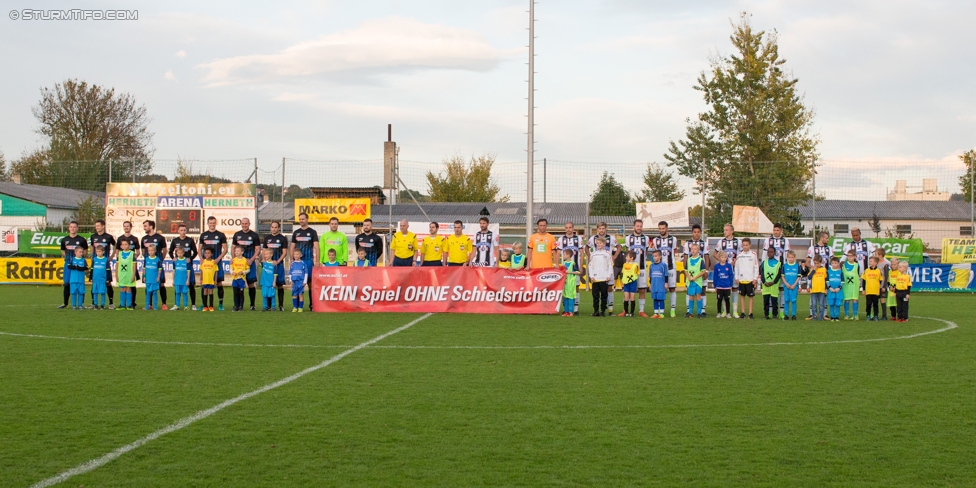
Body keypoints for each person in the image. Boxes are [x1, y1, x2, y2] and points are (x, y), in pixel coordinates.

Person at [587, 222, 619, 314]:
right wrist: (590, 256)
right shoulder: (592, 239)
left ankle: (609, 309)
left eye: (603, 228)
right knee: (596, 294)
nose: (601, 230)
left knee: (608, 289)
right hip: (596, 271)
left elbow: (619, 247)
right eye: (600, 228)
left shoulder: (611, 238)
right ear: (597, 229)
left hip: (606, 269)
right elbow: (586, 247)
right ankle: (596, 310)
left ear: (605, 229)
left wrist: (614, 257)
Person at [289, 213, 318, 309]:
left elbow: (316, 246)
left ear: (307, 219)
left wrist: (317, 260)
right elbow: (292, 247)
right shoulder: (296, 232)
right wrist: (291, 259)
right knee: (297, 283)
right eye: (300, 219)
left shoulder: (312, 232)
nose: (301, 221)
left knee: (310, 283)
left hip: (308, 261)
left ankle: (312, 305)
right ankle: (297, 306)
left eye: (303, 219)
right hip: (297, 262)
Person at [232, 218, 261, 311]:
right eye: (243, 223)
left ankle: (252, 305)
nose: (244, 225)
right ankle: (238, 305)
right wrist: (233, 259)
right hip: (238, 264)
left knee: (251, 283)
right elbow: (233, 248)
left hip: (249, 262)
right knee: (238, 284)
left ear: (249, 223)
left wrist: (252, 259)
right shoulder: (237, 234)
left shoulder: (254, 235)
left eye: (246, 223)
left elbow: (258, 249)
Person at [652, 220, 679, 317]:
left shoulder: (674, 239)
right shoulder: (655, 240)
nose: (661, 230)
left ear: (667, 228)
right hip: (659, 269)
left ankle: (672, 310)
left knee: (672, 288)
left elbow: (674, 252)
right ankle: (659, 311)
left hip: (670, 267)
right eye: (660, 228)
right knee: (659, 289)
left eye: (663, 228)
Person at [625, 219, 652, 317]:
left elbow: (646, 251)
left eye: (641, 226)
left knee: (641, 289)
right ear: (634, 227)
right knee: (628, 290)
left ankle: (641, 310)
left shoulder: (646, 238)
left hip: (641, 268)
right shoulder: (628, 238)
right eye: (637, 226)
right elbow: (627, 253)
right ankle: (626, 310)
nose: (639, 228)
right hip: (630, 269)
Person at [169, 223, 198, 310]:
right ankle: (176, 305)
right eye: (181, 230)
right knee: (177, 284)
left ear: (186, 231)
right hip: (179, 265)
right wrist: (173, 258)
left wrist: (191, 258)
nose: (183, 232)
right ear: (178, 231)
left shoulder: (190, 240)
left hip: (187, 265)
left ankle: (193, 304)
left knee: (191, 284)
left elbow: (195, 252)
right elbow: (170, 251)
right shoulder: (175, 241)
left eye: (184, 230)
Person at [59, 221, 88, 309]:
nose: (73, 228)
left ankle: (81, 304)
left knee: (80, 284)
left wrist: (79, 259)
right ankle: (65, 303)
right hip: (68, 265)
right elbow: (63, 251)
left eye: (74, 227)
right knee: (67, 283)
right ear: (69, 228)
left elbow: (85, 251)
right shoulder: (64, 240)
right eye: (71, 227)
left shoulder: (82, 240)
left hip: (79, 264)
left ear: (77, 228)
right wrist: (69, 259)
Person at [763, 222, 790, 318]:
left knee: (781, 289)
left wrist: (786, 268)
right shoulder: (768, 240)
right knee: (770, 290)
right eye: (774, 230)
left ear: (781, 231)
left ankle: (781, 312)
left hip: (781, 269)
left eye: (778, 230)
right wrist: (763, 267)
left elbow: (787, 256)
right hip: (770, 270)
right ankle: (770, 312)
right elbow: (764, 256)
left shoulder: (785, 241)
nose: (776, 232)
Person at [557, 222, 584, 315]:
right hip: (564, 270)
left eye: (570, 227)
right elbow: (557, 252)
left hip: (574, 268)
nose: (568, 229)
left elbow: (582, 252)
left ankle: (575, 309)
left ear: (573, 228)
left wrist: (581, 266)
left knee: (576, 288)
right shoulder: (561, 239)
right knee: (564, 288)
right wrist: (557, 265)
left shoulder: (578, 238)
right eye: (566, 228)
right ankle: (566, 309)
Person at [683, 224, 710, 316]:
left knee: (702, 291)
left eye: (698, 232)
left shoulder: (704, 244)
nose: (696, 234)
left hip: (700, 272)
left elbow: (706, 257)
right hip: (690, 273)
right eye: (695, 232)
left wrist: (705, 271)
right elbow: (685, 258)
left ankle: (702, 310)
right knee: (689, 291)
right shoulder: (687, 244)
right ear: (692, 233)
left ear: (700, 233)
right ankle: (689, 310)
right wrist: (685, 272)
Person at [141, 220, 168, 310]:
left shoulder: (160, 238)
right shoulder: (144, 239)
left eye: (145, 226)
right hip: (148, 266)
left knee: (161, 284)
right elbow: (143, 252)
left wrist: (160, 260)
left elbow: (165, 250)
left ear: (151, 226)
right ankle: (150, 304)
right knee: (148, 284)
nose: (144, 227)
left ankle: (164, 303)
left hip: (157, 265)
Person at [263, 221, 289, 311]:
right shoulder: (267, 238)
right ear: (270, 228)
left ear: (278, 228)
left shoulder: (282, 238)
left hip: (278, 265)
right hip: (269, 266)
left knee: (280, 285)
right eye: (272, 227)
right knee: (269, 285)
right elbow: (264, 251)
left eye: (276, 227)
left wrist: (277, 261)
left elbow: (285, 252)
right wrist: (265, 261)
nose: (274, 229)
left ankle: (280, 305)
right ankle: (269, 306)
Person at [89, 219, 116, 309]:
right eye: (96, 226)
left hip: (105, 263)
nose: (97, 227)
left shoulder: (108, 237)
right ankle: (94, 303)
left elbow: (115, 245)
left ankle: (111, 303)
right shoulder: (93, 236)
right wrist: (92, 255)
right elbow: (92, 245)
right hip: (96, 262)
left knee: (108, 283)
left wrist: (112, 255)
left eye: (98, 226)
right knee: (94, 283)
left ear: (103, 226)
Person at [717, 224, 742, 317]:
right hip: (724, 270)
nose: (725, 232)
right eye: (724, 230)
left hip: (734, 269)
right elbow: (715, 253)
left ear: (732, 231)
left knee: (734, 289)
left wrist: (736, 260)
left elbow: (742, 253)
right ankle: (724, 311)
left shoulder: (738, 242)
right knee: (724, 290)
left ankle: (735, 311)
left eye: (727, 230)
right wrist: (720, 260)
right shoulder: (721, 242)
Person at [806, 231, 832, 320]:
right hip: (814, 276)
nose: (828, 240)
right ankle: (811, 314)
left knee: (824, 295)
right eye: (826, 238)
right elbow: (807, 262)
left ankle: (824, 314)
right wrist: (814, 267)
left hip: (824, 275)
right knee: (813, 295)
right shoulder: (812, 248)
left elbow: (833, 261)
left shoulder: (829, 249)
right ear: (821, 238)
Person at [116, 221, 141, 308]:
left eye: (128, 226)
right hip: (123, 267)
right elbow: (117, 251)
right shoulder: (119, 238)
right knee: (123, 287)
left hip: (131, 266)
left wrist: (132, 258)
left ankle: (132, 303)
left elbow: (138, 251)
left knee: (131, 286)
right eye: (125, 226)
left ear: (131, 227)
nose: (126, 227)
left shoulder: (135, 239)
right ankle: (123, 304)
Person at [587, 236, 613, 317]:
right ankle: (596, 311)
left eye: (600, 243)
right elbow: (590, 266)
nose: (599, 244)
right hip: (595, 278)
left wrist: (609, 275)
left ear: (604, 244)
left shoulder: (608, 254)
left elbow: (610, 265)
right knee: (595, 295)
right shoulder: (593, 254)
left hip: (604, 278)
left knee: (604, 295)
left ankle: (603, 311)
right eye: (597, 243)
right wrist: (591, 276)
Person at [734, 237, 759, 319]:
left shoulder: (753, 255)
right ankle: (743, 312)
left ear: (750, 245)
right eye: (744, 245)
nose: (745, 247)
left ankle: (750, 313)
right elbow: (736, 267)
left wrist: (755, 278)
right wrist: (736, 277)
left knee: (751, 296)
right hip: (741, 279)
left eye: (747, 245)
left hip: (750, 279)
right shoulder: (739, 255)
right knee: (742, 296)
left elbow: (756, 267)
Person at [685, 243, 707, 318]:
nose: (693, 250)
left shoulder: (701, 260)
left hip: (697, 282)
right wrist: (689, 277)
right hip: (690, 281)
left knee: (698, 296)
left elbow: (703, 271)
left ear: (698, 250)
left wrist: (696, 277)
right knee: (691, 296)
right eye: (692, 249)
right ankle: (690, 312)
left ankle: (699, 312)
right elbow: (685, 270)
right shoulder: (688, 260)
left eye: (695, 249)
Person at [760, 246, 782, 320]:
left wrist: (773, 282)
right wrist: (764, 281)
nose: (769, 253)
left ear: (775, 253)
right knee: (766, 301)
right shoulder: (764, 262)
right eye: (768, 252)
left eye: (771, 252)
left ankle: (774, 315)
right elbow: (762, 273)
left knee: (774, 302)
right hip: (766, 285)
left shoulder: (778, 263)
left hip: (774, 286)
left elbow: (779, 275)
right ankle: (766, 315)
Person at [116, 238, 137, 310]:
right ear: (121, 246)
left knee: (128, 289)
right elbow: (117, 265)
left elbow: (134, 265)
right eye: (123, 245)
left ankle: (129, 305)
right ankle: (122, 305)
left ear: (129, 245)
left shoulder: (132, 253)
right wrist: (116, 275)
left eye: (126, 244)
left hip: (129, 274)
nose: (124, 246)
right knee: (122, 289)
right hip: (121, 274)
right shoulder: (119, 253)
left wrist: (133, 275)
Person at [712, 251, 734, 318]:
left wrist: (730, 285)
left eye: (725, 257)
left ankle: (728, 313)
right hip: (719, 286)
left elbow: (731, 275)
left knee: (727, 300)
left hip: (727, 286)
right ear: (719, 258)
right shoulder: (716, 266)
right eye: (722, 257)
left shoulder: (728, 266)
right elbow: (715, 276)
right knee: (719, 300)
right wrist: (715, 286)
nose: (724, 259)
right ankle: (719, 312)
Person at [862, 256, 884, 321]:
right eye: (869, 261)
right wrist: (863, 289)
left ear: (876, 263)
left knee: (875, 304)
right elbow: (864, 280)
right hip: (868, 291)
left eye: (871, 261)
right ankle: (868, 315)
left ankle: (876, 316)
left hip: (876, 291)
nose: (869, 262)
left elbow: (880, 280)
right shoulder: (866, 270)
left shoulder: (878, 271)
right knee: (868, 304)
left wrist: (880, 288)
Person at [782, 250, 802, 321]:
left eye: (792, 257)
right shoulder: (784, 266)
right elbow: (782, 277)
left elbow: (798, 277)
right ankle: (786, 315)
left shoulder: (797, 266)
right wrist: (786, 284)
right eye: (789, 257)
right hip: (786, 286)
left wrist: (794, 285)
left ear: (794, 258)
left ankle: (794, 315)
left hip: (794, 287)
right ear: (787, 257)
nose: (790, 259)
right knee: (786, 301)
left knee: (793, 301)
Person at [560, 249, 580, 317]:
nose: (563, 255)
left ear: (568, 255)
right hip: (565, 283)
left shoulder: (573, 263)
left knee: (570, 296)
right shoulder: (564, 263)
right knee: (565, 296)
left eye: (564, 254)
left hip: (571, 283)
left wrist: (570, 272)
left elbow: (578, 272)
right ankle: (566, 311)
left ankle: (570, 311)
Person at [619, 251, 640, 317]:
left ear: (632, 258)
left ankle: (632, 312)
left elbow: (637, 273)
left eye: (627, 256)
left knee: (632, 297)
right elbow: (623, 273)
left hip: (632, 283)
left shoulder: (636, 265)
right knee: (626, 297)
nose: (625, 257)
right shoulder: (624, 264)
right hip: (626, 283)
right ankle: (626, 312)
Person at [649, 250, 669, 319]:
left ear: (660, 256)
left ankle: (662, 313)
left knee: (661, 299)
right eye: (653, 256)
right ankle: (656, 313)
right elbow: (651, 276)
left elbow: (666, 275)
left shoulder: (663, 265)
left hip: (661, 286)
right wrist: (650, 284)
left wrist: (666, 283)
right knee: (655, 299)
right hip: (654, 286)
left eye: (656, 256)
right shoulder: (651, 266)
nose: (654, 258)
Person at [842, 250, 860, 320]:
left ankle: (855, 315)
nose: (849, 257)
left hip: (854, 285)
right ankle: (846, 315)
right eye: (848, 256)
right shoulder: (844, 265)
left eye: (851, 256)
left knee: (854, 299)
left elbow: (858, 274)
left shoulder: (857, 265)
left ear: (855, 257)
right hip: (846, 286)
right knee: (846, 300)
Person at [143, 244, 162, 311]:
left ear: (155, 251)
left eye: (152, 250)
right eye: (149, 250)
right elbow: (144, 269)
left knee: (155, 292)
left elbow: (160, 269)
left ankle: (155, 306)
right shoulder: (146, 259)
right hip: (148, 279)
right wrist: (144, 277)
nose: (150, 252)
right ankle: (147, 306)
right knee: (148, 292)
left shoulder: (157, 259)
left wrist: (158, 277)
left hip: (155, 279)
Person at [172, 247, 191, 311]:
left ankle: (186, 306)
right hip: (177, 281)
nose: (179, 254)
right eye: (178, 253)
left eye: (181, 253)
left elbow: (188, 271)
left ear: (183, 253)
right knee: (177, 293)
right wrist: (173, 280)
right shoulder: (175, 261)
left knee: (185, 293)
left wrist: (188, 280)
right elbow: (174, 271)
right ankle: (177, 305)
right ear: (176, 253)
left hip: (184, 281)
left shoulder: (186, 260)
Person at [230, 245, 248, 312]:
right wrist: (232, 272)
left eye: (238, 251)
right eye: (235, 251)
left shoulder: (245, 260)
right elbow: (231, 268)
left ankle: (241, 306)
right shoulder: (233, 260)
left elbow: (248, 270)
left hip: (241, 280)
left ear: (242, 252)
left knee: (241, 293)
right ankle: (235, 306)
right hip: (235, 279)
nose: (236, 252)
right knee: (235, 293)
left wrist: (243, 272)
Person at [874, 248, 891, 320]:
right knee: (875, 300)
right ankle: (875, 315)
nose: (875, 255)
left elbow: (886, 276)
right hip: (875, 285)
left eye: (876, 254)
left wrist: (884, 286)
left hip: (882, 285)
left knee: (882, 299)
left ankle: (884, 316)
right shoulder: (875, 263)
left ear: (880, 255)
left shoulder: (885, 264)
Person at [809, 255, 827, 321]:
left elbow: (825, 279)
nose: (816, 265)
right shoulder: (812, 269)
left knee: (821, 304)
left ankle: (821, 317)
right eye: (815, 263)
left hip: (821, 290)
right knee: (813, 304)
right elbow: (809, 277)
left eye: (818, 263)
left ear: (821, 262)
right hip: (814, 290)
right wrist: (813, 270)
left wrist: (826, 288)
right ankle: (814, 316)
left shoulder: (824, 269)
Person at [827, 257, 844, 322]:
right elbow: (827, 281)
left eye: (835, 263)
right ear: (831, 263)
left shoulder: (840, 272)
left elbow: (842, 282)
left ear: (838, 264)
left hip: (838, 291)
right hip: (831, 290)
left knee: (837, 304)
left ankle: (836, 316)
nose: (834, 264)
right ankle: (832, 316)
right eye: (833, 263)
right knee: (831, 304)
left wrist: (839, 288)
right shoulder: (828, 271)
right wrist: (830, 288)